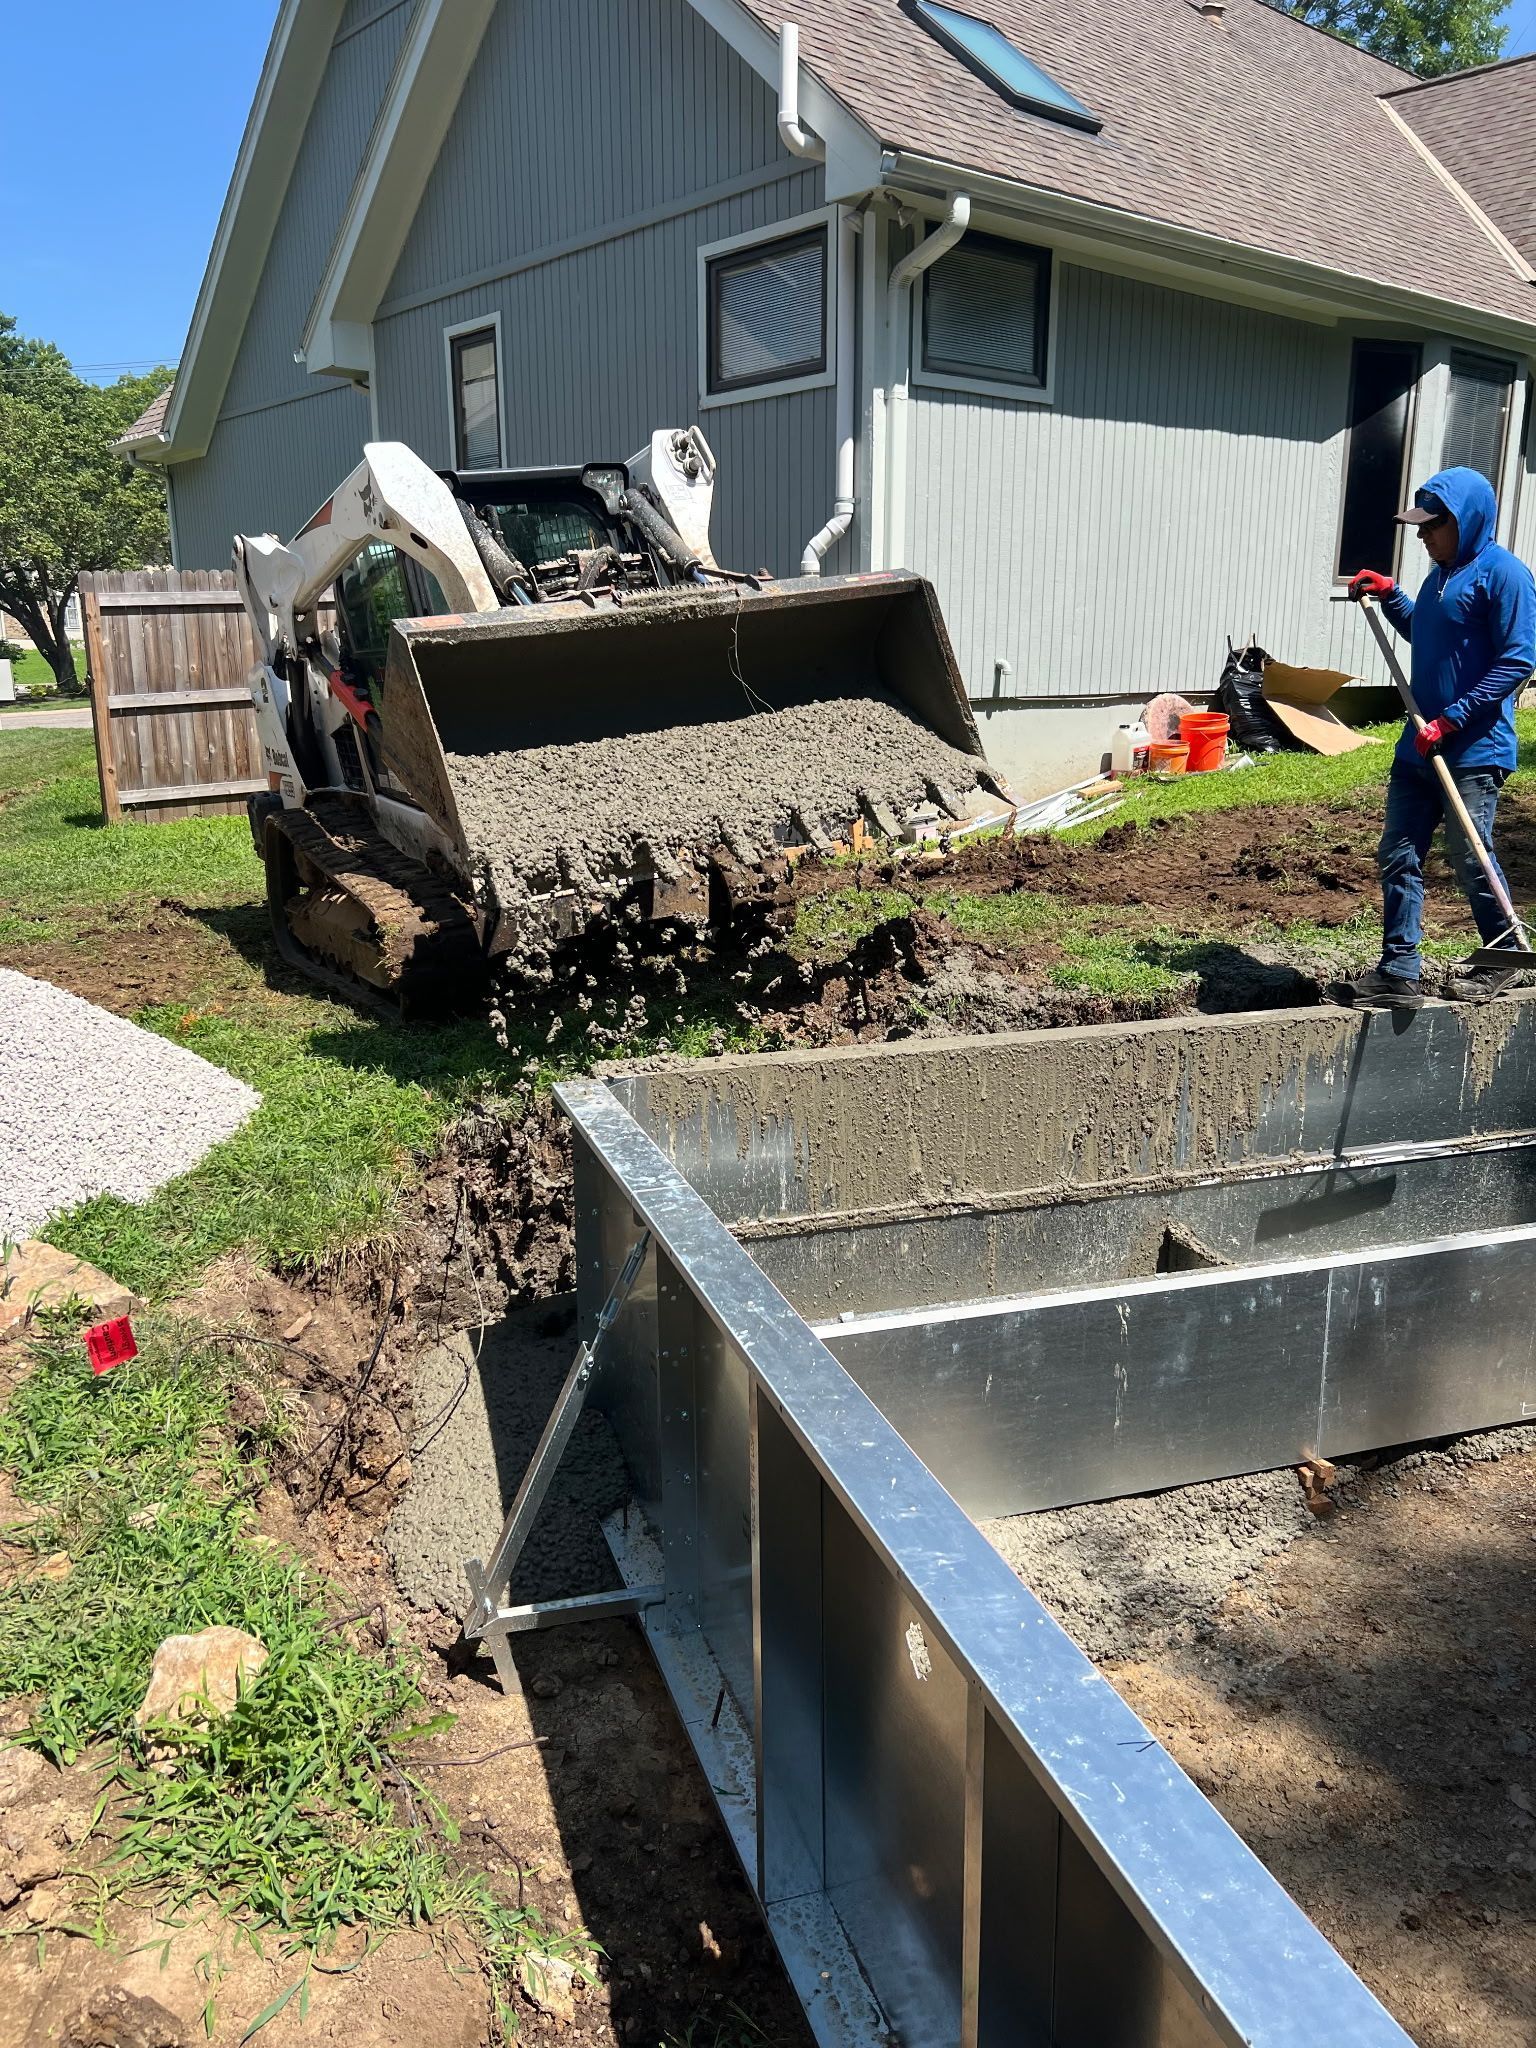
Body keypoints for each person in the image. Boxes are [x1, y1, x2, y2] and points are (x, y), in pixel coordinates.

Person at [1346, 466, 1536, 1007]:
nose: (1422, 536)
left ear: (1465, 520)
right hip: (1419, 746)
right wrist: (1392, 597)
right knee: (1398, 853)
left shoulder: (1506, 576)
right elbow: (1427, 633)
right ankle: (1399, 969)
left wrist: (1452, 718)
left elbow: (1518, 660)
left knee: (1470, 854)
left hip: (1473, 748)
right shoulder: (1439, 574)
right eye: (1420, 526)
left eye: (1432, 526)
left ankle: (1506, 957)